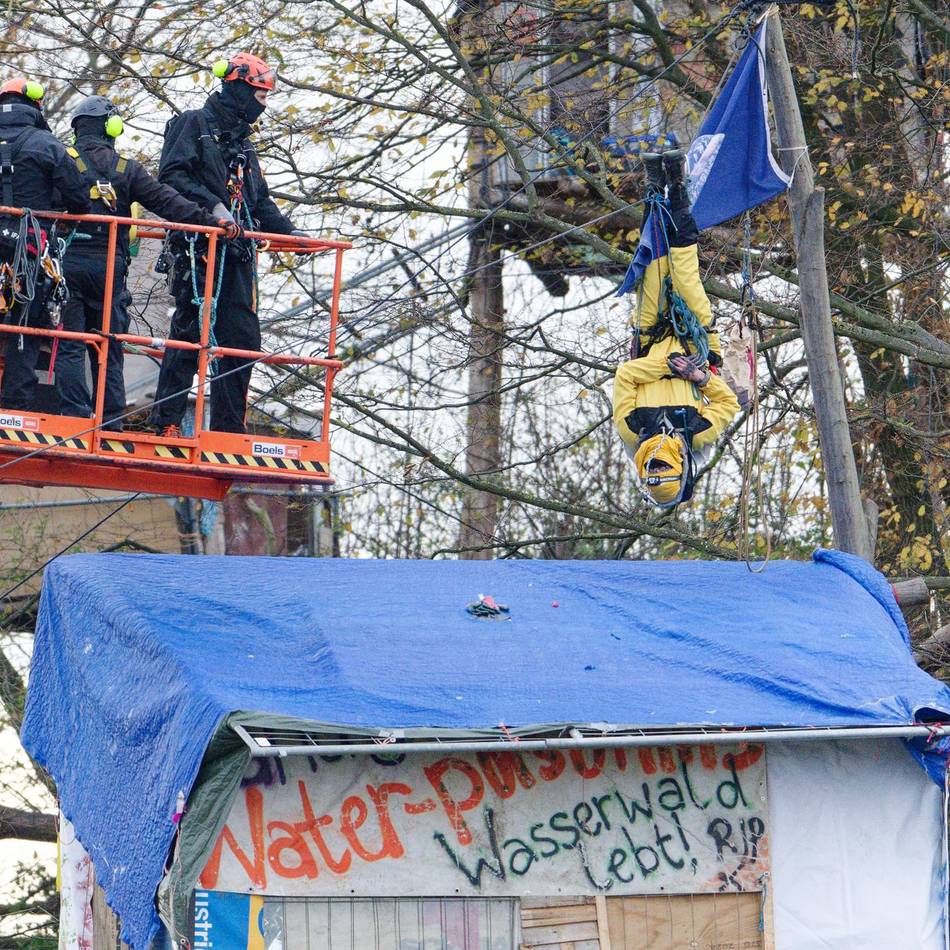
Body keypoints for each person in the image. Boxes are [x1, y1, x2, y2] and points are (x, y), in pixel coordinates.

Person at [55, 95, 237, 430]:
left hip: (70, 266)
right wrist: (209, 221)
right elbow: (168, 201)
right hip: (110, 270)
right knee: (109, 345)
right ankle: (110, 421)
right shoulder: (126, 169)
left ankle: (73, 415)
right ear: (112, 127)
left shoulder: (62, 161)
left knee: (70, 343)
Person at [149, 52, 302, 437]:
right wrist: (214, 208)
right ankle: (166, 420)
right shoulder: (193, 124)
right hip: (198, 246)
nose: (261, 106)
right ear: (237, 89)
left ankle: (227, 430)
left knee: (242, 338)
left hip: (236, 254)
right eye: (259, 96)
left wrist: (293, 235)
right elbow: (171, 176)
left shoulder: (244, 146)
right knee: (189, 330)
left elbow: (259, 201)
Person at [613, 149, 740, 508]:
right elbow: (727, 401)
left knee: (654, 266)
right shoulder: (699, 434)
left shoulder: (633, 428)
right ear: (680, 467)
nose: (655, 455)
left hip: (650, 335)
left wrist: (666, 365)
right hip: (696, 338)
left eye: (650, 463)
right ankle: (677, 186)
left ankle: (654, 184)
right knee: (684, 268)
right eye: (662, 464)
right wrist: (700, 379)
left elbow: (625, 377)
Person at [0, 78, 90, 411]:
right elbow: (79, 198)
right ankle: (13, 404)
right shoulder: (47, 144)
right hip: (29, 249)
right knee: (26, 321)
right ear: (37, 107)